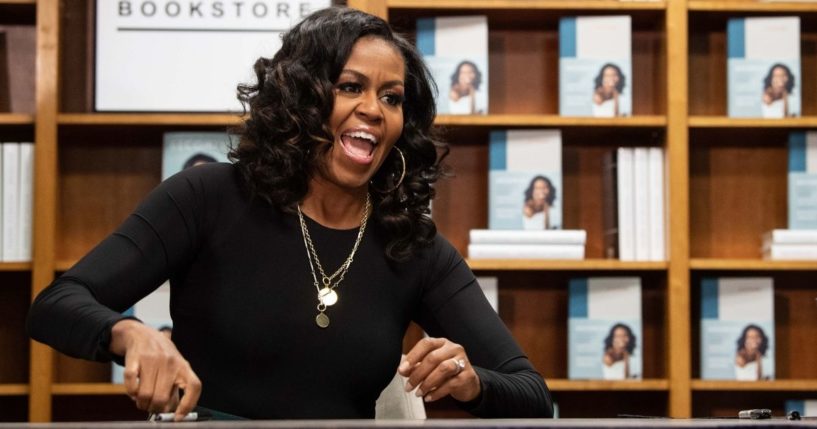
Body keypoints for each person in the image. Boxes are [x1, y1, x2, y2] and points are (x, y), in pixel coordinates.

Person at [26, 7, 553, 421]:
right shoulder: (207, 197)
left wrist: (471, 381)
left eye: (391, 97)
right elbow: (56, 304)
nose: (373, 108)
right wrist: (132, 334)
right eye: (351, 87)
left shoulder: (412, 246)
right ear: (301, 98)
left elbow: (532, 395)